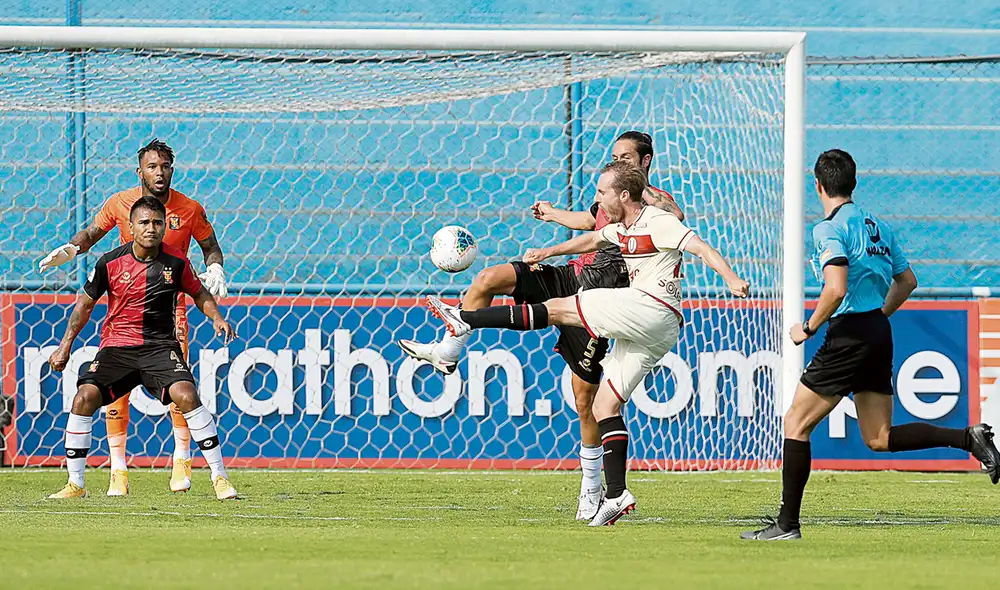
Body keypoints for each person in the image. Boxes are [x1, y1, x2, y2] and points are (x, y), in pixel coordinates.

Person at [424, 160, 749, 526]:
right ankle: (615, 494)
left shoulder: (658, 221)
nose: (596, 199)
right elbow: (592, 238)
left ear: (624, 194)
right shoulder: (621, 227)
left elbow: (702, 248)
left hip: (651, 306)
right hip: (656, 329)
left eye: (601, 192)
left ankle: (464, 318)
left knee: (558, 310)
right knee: (604, 406)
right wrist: (548, 252)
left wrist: (732, 279)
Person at [399, 131, 683, 521]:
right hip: (570, 276)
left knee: (585, 401)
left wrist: (641, 187)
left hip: (601, 299)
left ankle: (592, 489)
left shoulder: (654, 203)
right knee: (488, 279)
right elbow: (590, 222)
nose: (617, 163)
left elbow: (675, 217)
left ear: (645, 162)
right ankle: (448, 352)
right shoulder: (609, 199)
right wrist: (553, 215)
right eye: (613, 156)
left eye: (626, 158)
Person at [741, 149, 1000, 541]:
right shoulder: (878, 224)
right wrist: (878, 316)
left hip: (849, 333)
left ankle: (787, 525)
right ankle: (968, 438)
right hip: (877, 330)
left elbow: (835, 288)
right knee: (878, 437)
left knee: (795, 424)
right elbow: (908, 281)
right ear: (854, 182)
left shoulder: (828, 229)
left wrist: (807, 328)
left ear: (818, 185)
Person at [39, 139, 228, 496]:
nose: (159, 172)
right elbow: (93, 235)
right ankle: (118, 470)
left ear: (173, 169)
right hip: (123, 315)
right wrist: (72, 248)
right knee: (112, 393)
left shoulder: (189, 209)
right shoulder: (119, 204)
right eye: (152, 167)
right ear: (139, 171)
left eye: (165, 166)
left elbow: (209, 245)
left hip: (171, 312)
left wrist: (215, 267)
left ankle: (182, 460)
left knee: (180, 390)